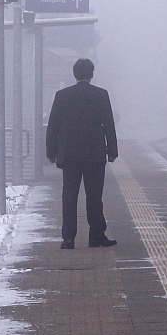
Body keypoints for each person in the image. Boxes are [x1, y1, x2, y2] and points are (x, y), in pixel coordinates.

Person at [45, 58, 118, 249]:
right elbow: (109, 125)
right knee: (94, 197)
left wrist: (51, 152)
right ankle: (96, 236)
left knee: (69, 196)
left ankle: (68, 239)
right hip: (94, 155)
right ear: (91, 74)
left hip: (69, 156)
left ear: (74, 74)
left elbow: (53, 126)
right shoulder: (101, 95)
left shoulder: (62, 96)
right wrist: (112, 151)